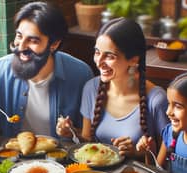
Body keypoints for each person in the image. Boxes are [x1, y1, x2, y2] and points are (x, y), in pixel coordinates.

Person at [56, 18, 168, 158]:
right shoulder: (91, 88)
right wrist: (71, 132)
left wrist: (136, 152)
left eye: (109, 56)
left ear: (134, 60)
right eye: (97, 52)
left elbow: (168, 158)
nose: (99, 62)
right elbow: (87, 141)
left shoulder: (156, 99)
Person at [0, 1, 94, 137]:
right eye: (19, 36)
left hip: (61, 157)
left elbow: (88, 138)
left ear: (54, 44)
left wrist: (72, 133)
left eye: (33, 41)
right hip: (11, 156)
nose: (21, 46)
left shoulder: (81, 74)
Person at [137, 73, 187, 173]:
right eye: (169, 104)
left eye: (177, 106)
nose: (168, 112)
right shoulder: (169, 133)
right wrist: (149, 151)